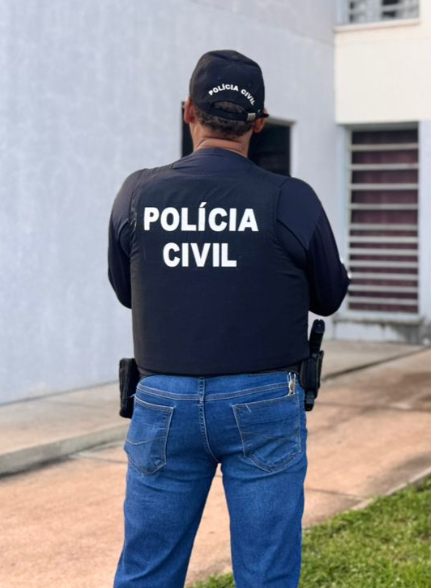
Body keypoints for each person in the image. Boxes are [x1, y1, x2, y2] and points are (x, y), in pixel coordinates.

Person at [107, 50, 349, 587]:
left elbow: (129, 292)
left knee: (147, 572)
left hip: (162, 402)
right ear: (258, 124)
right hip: (264, 405)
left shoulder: (138, 192)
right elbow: (329, 296)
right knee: (266, 575)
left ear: (188, 111)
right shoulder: (292, 199)